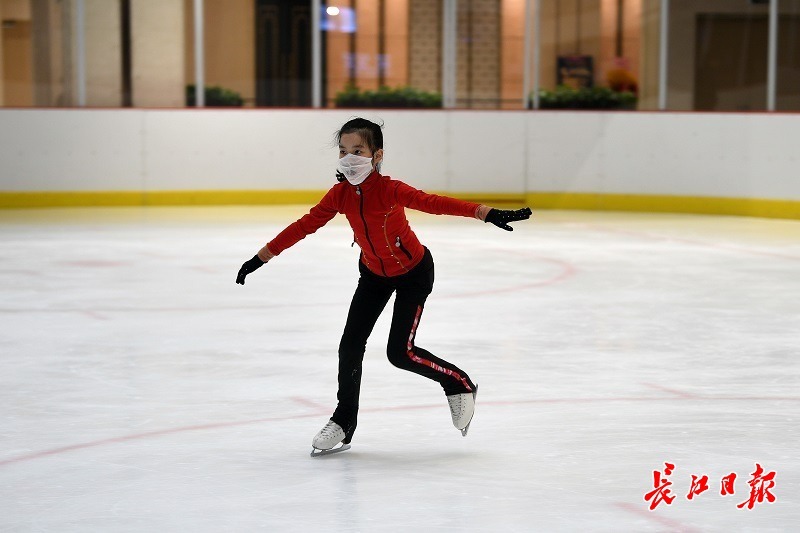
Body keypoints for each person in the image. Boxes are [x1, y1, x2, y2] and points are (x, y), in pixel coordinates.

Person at [236, 118, 531, 456]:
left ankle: (458, 383)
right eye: (343, 151)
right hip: (373, 275)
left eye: (357, 151)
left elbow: (433, 202)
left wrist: (485, 212)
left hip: (413, 274)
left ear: (376, 155)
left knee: (400, 353)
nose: (349, 158)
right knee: (349, 346)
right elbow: (303, 226)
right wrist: (260, 258)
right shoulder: (339, 195)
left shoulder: (391, 189)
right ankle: (344, 420)